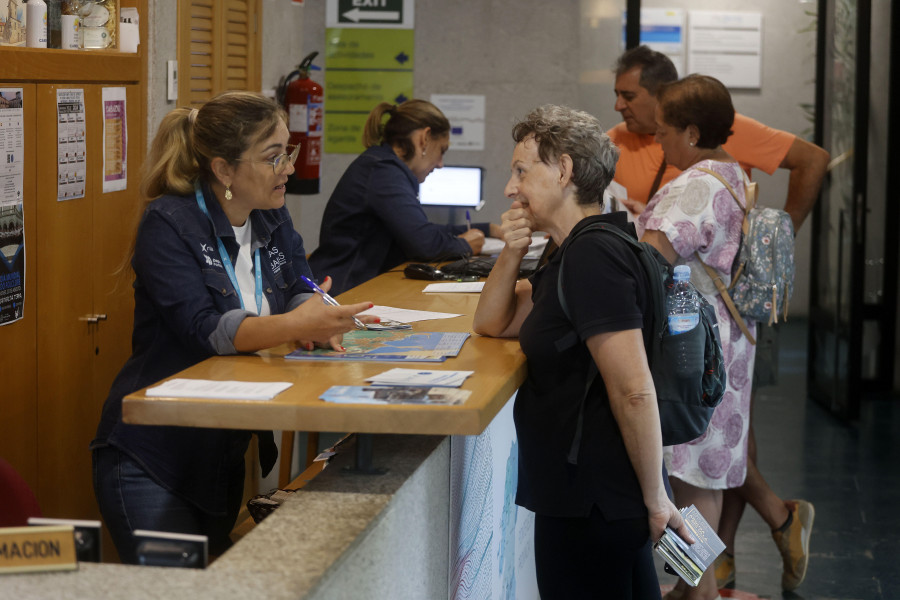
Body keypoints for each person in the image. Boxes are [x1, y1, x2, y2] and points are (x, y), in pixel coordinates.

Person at [91, 91, 376, 564]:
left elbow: (298, 282)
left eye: (289, 151)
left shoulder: (272, 211)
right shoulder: (169, 222)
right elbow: (207, 330)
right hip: (152, 459)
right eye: (273, 157)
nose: (289, 167)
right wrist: (294, 322)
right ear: (224, 170)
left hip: (220, 457)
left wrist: (316, 316)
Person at [610, 46, 825, 592]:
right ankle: (691, 588)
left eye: (663, 131)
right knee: (701, 483)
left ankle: (698, 590)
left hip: (687, 358)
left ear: (689, 131)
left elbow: (650, 261)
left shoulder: (695, 186)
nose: (656, 140)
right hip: (723, 352)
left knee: (688, 492)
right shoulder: (731, 176)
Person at [473, 104, 691, 599]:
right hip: (594, 499)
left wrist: (657, 501)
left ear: (565, 170)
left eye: (522, 172)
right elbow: (492, 323)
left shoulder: (592, 258)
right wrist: (511, 250)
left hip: (596, 503)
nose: (511, 187)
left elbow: (633, 389)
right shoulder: (573, 250)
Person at [308, 99, 500, 295]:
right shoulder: (384, 171)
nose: (441, 164)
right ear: (424, 138)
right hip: (340, 292)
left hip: (352, 286)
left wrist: (488, 229)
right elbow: (425, 244)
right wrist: (465, 245)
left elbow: (423, 231)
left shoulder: (384, 166)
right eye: (441, 151)